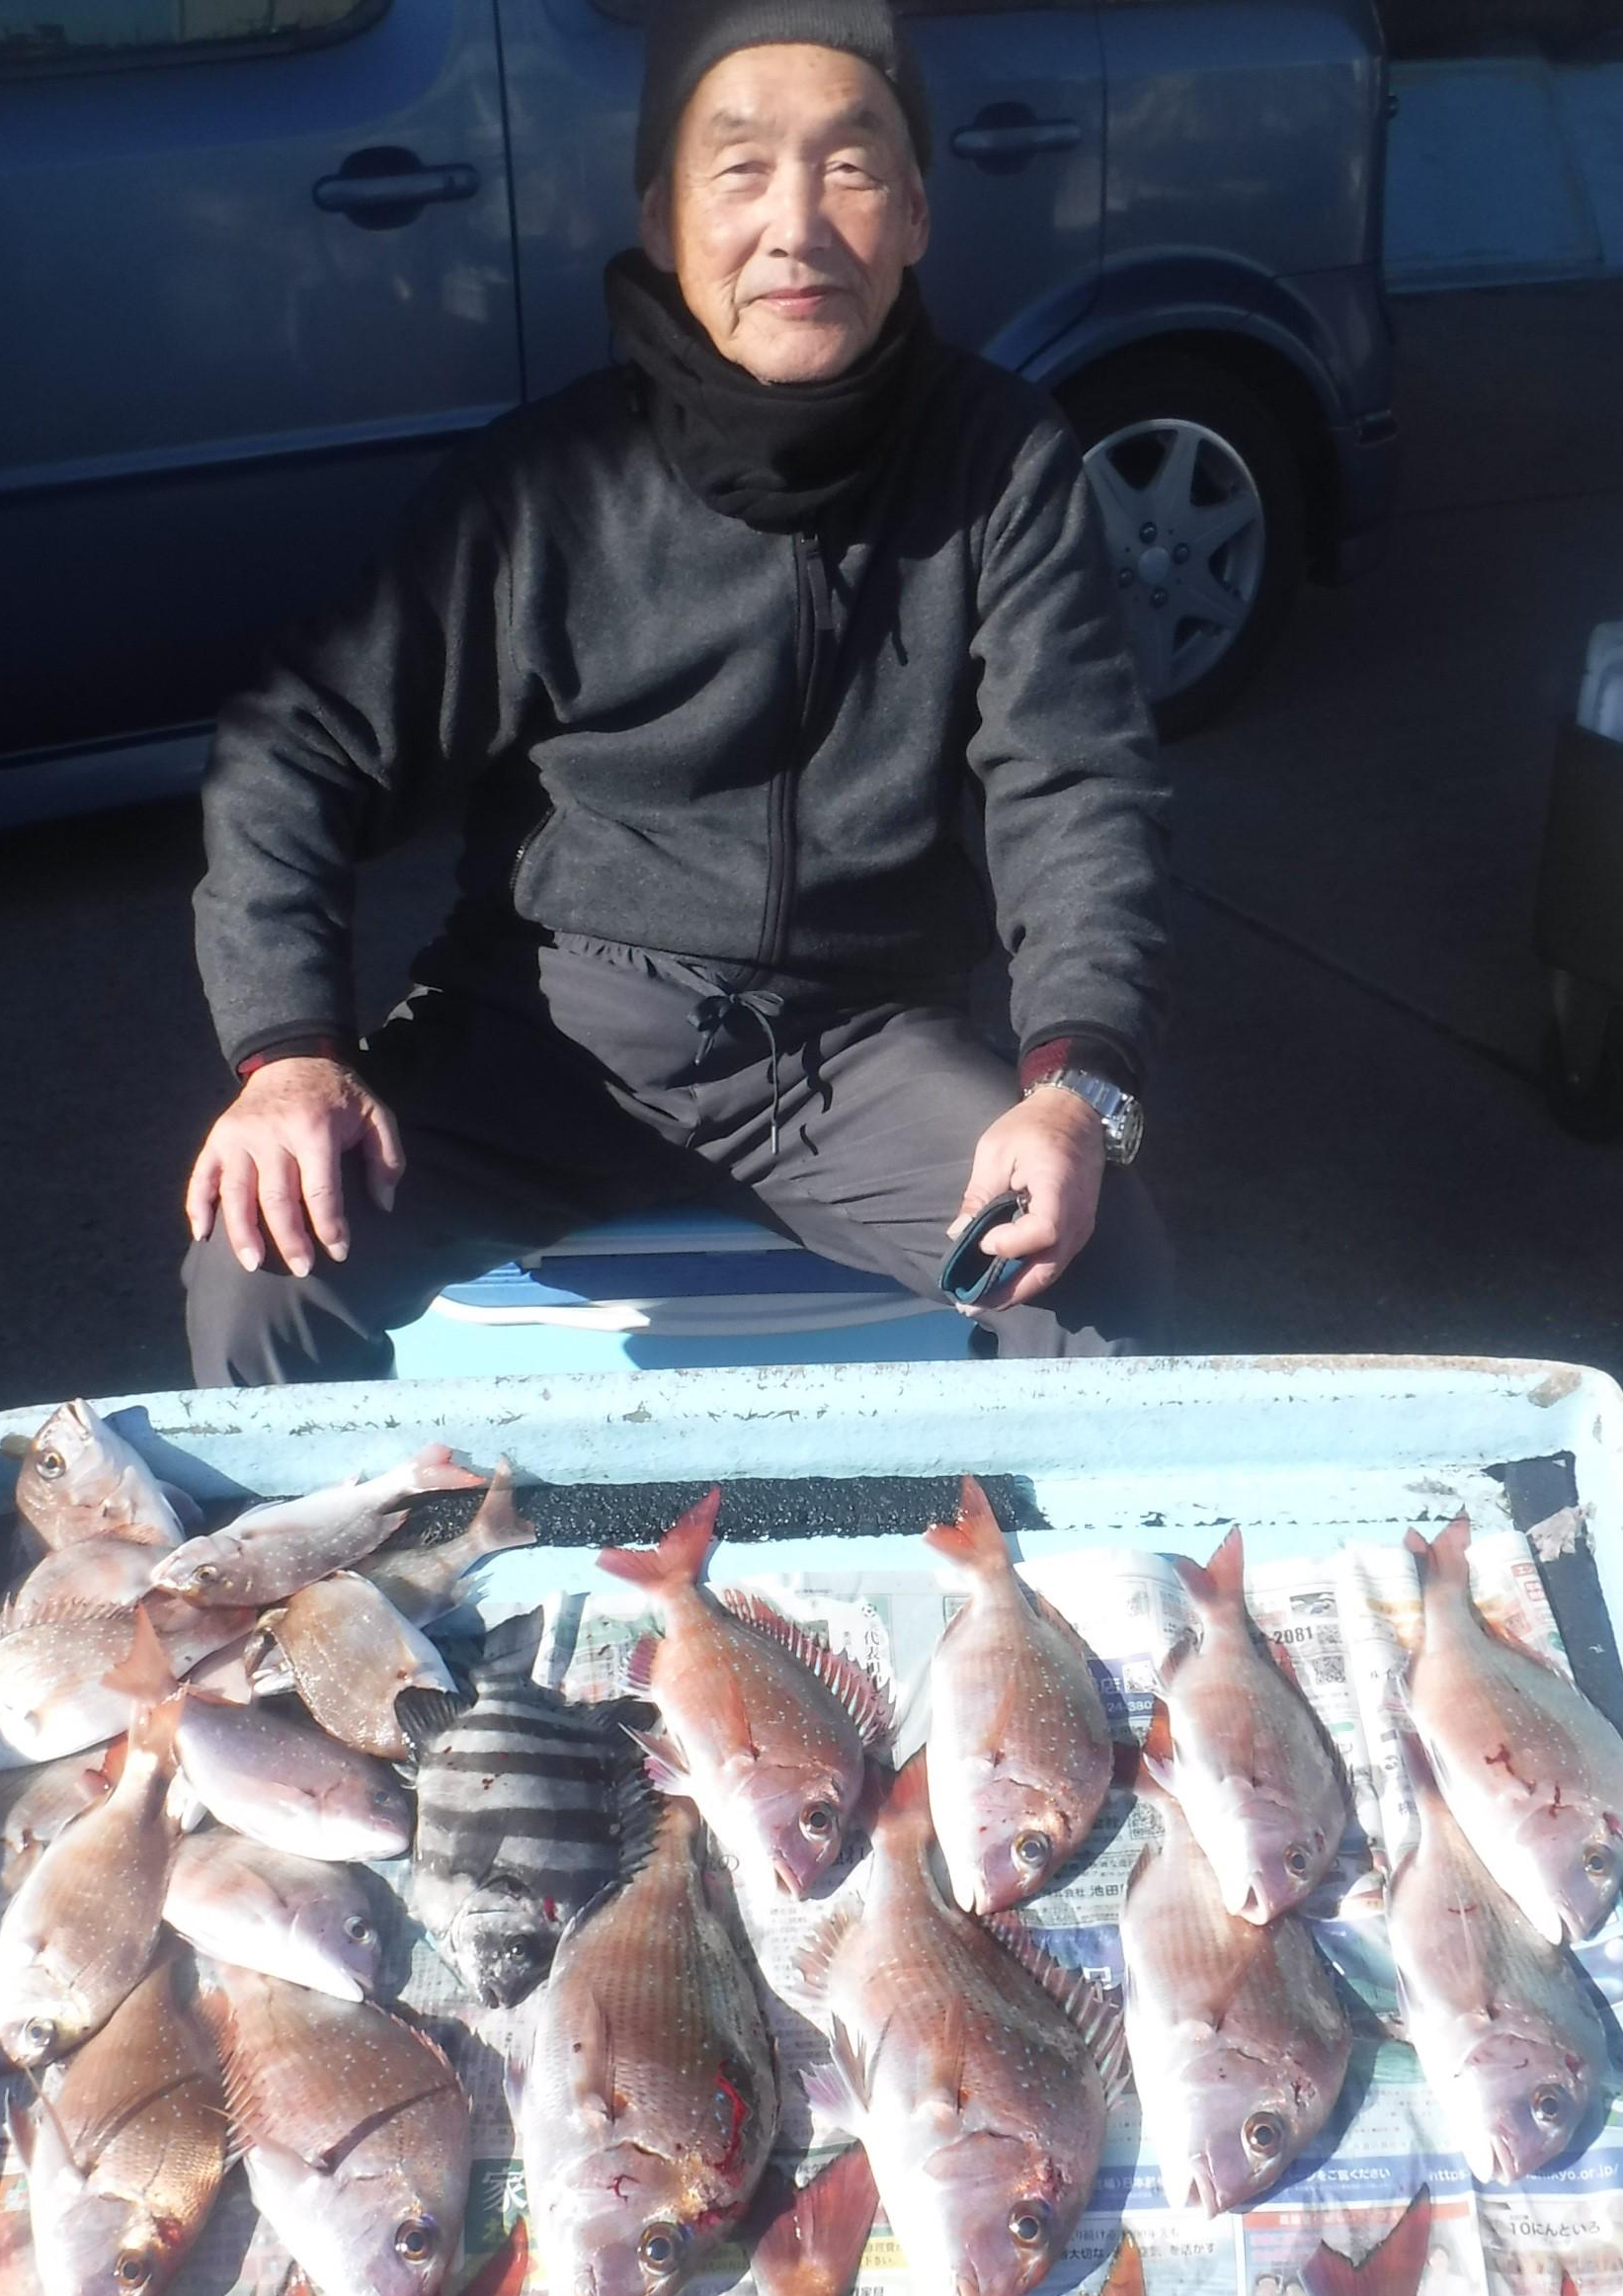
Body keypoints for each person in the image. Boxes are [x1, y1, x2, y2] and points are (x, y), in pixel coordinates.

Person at [181, 0, 1174, 1380]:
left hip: (860, 1044)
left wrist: (1075, 1086)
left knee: (1099, 1275)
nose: (796, 226)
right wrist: (290, 1056)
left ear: (916, 213)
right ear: (662, 219)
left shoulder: (1006, 464)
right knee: (260, 1275)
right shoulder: (543, 486)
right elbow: (295, 749)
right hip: (550, 1032)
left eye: (850, 166)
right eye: (741, 168)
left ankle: (993, 1531)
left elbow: (1074, 785)